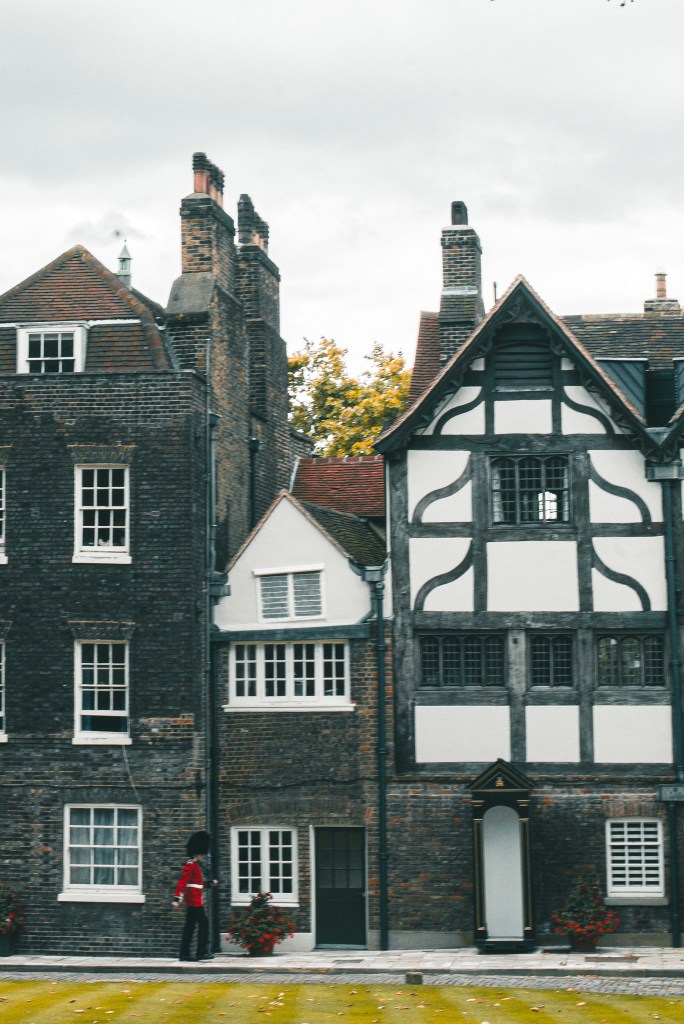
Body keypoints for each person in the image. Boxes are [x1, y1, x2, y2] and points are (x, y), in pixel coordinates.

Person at [172, 830, 215, 962]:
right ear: (198, 851)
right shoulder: (190, 865)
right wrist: (176, 898)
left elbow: (196, 883)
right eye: (203, 853)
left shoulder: (195, 865)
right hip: (194, 901)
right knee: (204, 924)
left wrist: (209, 884)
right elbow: (182, 882)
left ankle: (184, 953)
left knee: (189, 926)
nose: (204, 856)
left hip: (194, 899)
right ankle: (200, 953)